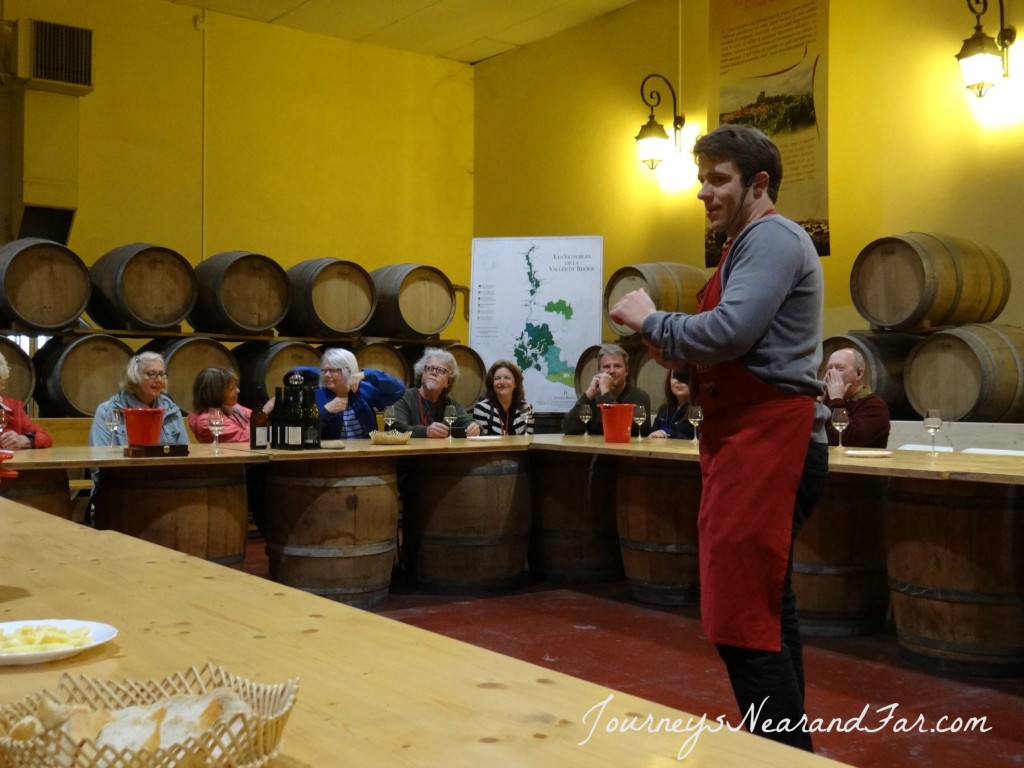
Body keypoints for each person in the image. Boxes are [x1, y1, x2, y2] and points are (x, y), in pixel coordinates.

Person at [609, 123, 829, 752]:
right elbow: (714, 346)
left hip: (771, 442)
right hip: (750, 440)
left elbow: (729, 332)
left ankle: (783, 755)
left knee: (740, 620)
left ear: (759, 183)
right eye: (701, 178)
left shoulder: (772, 238)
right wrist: (670, 338)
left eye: (718, 179)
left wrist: (652, 318)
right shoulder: (741, 246)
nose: (703, 191)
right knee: (766, 607)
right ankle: (792, 757)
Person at [90, 352, 189, 447]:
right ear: (134, 377)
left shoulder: (171, 410)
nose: (159, 379)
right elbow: (100, 456)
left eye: (161, 374)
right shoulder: (108, 410)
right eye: (152, 373)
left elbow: (186, 456)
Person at [306, 348, 406, 440]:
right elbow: (307, 434)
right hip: (332, 455)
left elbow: (399, 390)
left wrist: (367, 374)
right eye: (324, 370)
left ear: (348, 371)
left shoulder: (363, 390)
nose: (327, 375)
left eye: (333, 370)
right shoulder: (316, 396)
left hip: (365, 453)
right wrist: (325, 411)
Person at [561, 343, 651, 436]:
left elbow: (623, 430)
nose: (612, 371)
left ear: (627, 371)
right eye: (606, 367)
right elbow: (568, 428)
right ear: (599, 371)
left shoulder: (639, 397)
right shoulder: (594, 397)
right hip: (595, 449)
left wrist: (605, 392)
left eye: (617, 366)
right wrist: (588, 394)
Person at [392, 348, 481, 438]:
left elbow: (468, 422)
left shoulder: (451, 405)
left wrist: (474, 428)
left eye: (441, 370)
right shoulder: (404, 397)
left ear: (448, 382)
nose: (434, 372)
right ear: (422, 375)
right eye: (429, 368)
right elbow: (394, 428)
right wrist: (425, 432)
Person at [822, 348, 890, 448]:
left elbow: (847, 441)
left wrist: (836, 400)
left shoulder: (874, 405)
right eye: (829, 368)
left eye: (840, 369)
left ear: (859, 373)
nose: (831, 374)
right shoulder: (825, 401)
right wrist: (818, 402)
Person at [0, 351, 53, 450]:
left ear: (2, 381)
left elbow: (45, 438)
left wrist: (25, 440)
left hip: (9, 463)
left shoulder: (13, 406)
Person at [188, 367, 251, 443]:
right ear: (216, 394)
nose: (238, 390)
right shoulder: (206, 421)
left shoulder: (234, 407)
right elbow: (244, 437)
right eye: (232, 389)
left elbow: (256, 418)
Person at [472, 360, 534, 435]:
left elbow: (529, 439)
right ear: (492, 383)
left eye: (507, 378)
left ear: (516, 383)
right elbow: (481, 442)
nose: (502, 382)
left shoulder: (527, 408)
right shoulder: (482, 408)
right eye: (497, 378)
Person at [649, 365, 695, 440]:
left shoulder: (698, 410)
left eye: (683, 377)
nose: (678, 381)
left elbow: (697, 440)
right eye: (674, 377)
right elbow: (653, 433)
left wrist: (668, 432)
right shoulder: (664, 408)